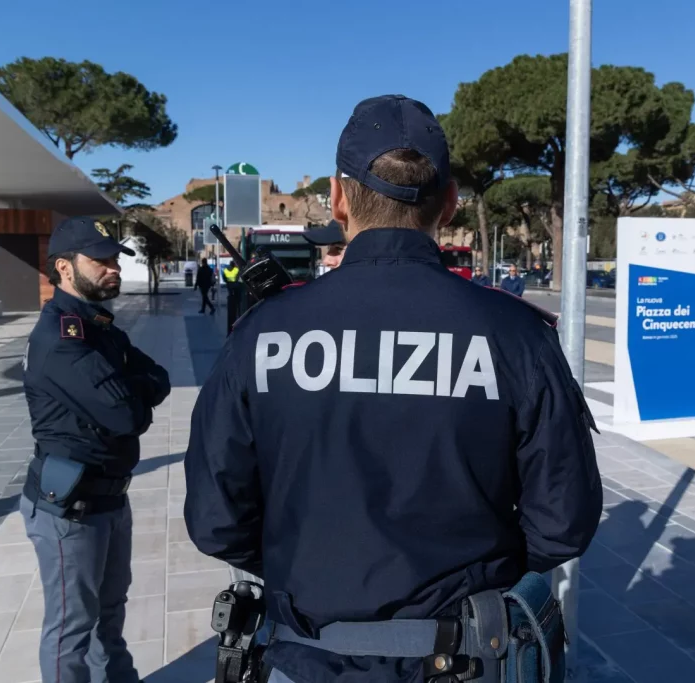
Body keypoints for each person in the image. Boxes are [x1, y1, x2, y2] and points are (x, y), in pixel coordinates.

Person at [183, 95, 602, 683]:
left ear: (337, 198)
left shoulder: (263, 332)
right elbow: (564, 523)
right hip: (465, 659)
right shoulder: (515, 334)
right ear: (450, 202)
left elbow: (215, 519)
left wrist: (305, 572)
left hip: (304, 656)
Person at [21, 216, 171, 683]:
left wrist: (130, 389)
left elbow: (160, 378)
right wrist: (133, 393)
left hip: (109, 498)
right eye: (100, 260)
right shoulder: (61, 339)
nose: (113, 267)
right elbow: (127, 416)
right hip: (72, 510)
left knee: (111, 612)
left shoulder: (99, 327)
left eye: (115, 259)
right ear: (64, 268)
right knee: (71, 629)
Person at [222, 260, 242, 334]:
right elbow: (238, 278)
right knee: (237, 305)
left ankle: (230, 330)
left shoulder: (225, 270)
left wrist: (228, 281)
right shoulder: (236, 270)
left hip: (229, 286)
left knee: (231, 302)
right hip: (236, 287)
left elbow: (224, 278)